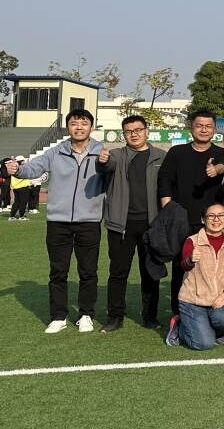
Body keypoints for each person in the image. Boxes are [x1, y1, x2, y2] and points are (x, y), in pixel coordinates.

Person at [5, 108, 107, 333]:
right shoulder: (55, 152)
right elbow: (34, 167)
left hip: (89, 221)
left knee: (88, 271)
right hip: (58, 221)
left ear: (91, 127)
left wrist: (107, 164)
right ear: (68, 127)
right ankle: (59, 316)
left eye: (84, 123)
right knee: (58, 271)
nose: (79, 127)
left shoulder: (102, 152)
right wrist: (18, 169)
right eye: (74, 123)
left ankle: (86, 314)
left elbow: (113, 173)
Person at [157, 110, 224, 316]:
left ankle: (212, 310)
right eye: (199, 125)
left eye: (208, 126)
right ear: (191, 128)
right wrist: (167, 207)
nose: (204, 130)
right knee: (181, 268)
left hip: (210, 223)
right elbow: (165, 179)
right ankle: (178, 314)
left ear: (214, 129)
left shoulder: (221, 152)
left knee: (213, 268)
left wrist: (217, 169)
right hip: (181, 221)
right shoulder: (177, 152)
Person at [97, 114, 165, 332]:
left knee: (150, 273)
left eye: (138, 130)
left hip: (151, 225)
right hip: (121, 225)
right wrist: (102, 161)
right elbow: (105, 166)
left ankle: (150, 316)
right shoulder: (116, 156)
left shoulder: (161, 157)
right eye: (129, 131)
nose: (134, 134)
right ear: (123, 134)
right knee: (118, 273)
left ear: (147, 131)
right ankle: (115, 316)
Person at [167, 202, 224, 350]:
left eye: (221, 215)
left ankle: (215, 330)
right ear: (203, 219)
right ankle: (179, 327)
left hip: (220, 299)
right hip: (193, 300)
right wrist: (190, 259)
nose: (216, 219)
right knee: (204, 344)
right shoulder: (192, 241)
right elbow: (184, 266)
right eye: (211, 216)